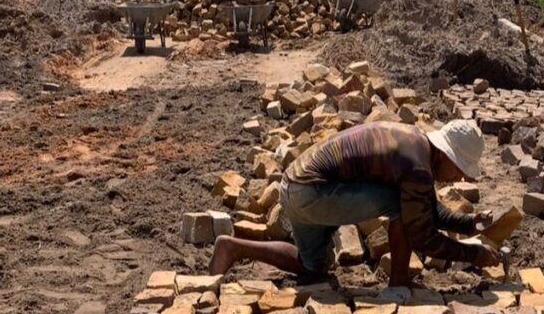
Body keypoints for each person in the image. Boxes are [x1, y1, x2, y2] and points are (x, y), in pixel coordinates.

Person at [209, 120, 501, 287]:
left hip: (293, 187)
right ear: (447, 154)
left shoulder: (415, 142)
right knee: (401, 207)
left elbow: (425, 205)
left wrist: (469, 223)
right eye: (460, 169)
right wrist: (473, 255)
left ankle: (234, 248)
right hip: (315, 193)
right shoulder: (416, 166)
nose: (461, 178)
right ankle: (399, 284)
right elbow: (421, 235)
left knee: (314, 267)